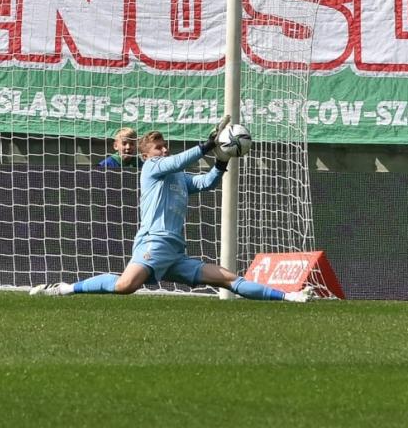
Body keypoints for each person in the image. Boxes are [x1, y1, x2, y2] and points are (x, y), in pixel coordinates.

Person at [31, 116, 314, 303]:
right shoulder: (152, 169)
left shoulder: (178, 177)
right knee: (124, 286)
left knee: (228, 278)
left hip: (175, 251)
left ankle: (289, 297)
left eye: (165, 147)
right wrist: (206, 146)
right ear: (146, 155)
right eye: (158, 148)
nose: (164, 151)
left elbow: (205, 183)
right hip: (153, 243)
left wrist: (221, 159)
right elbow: (175, 162)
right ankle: (66, 288)